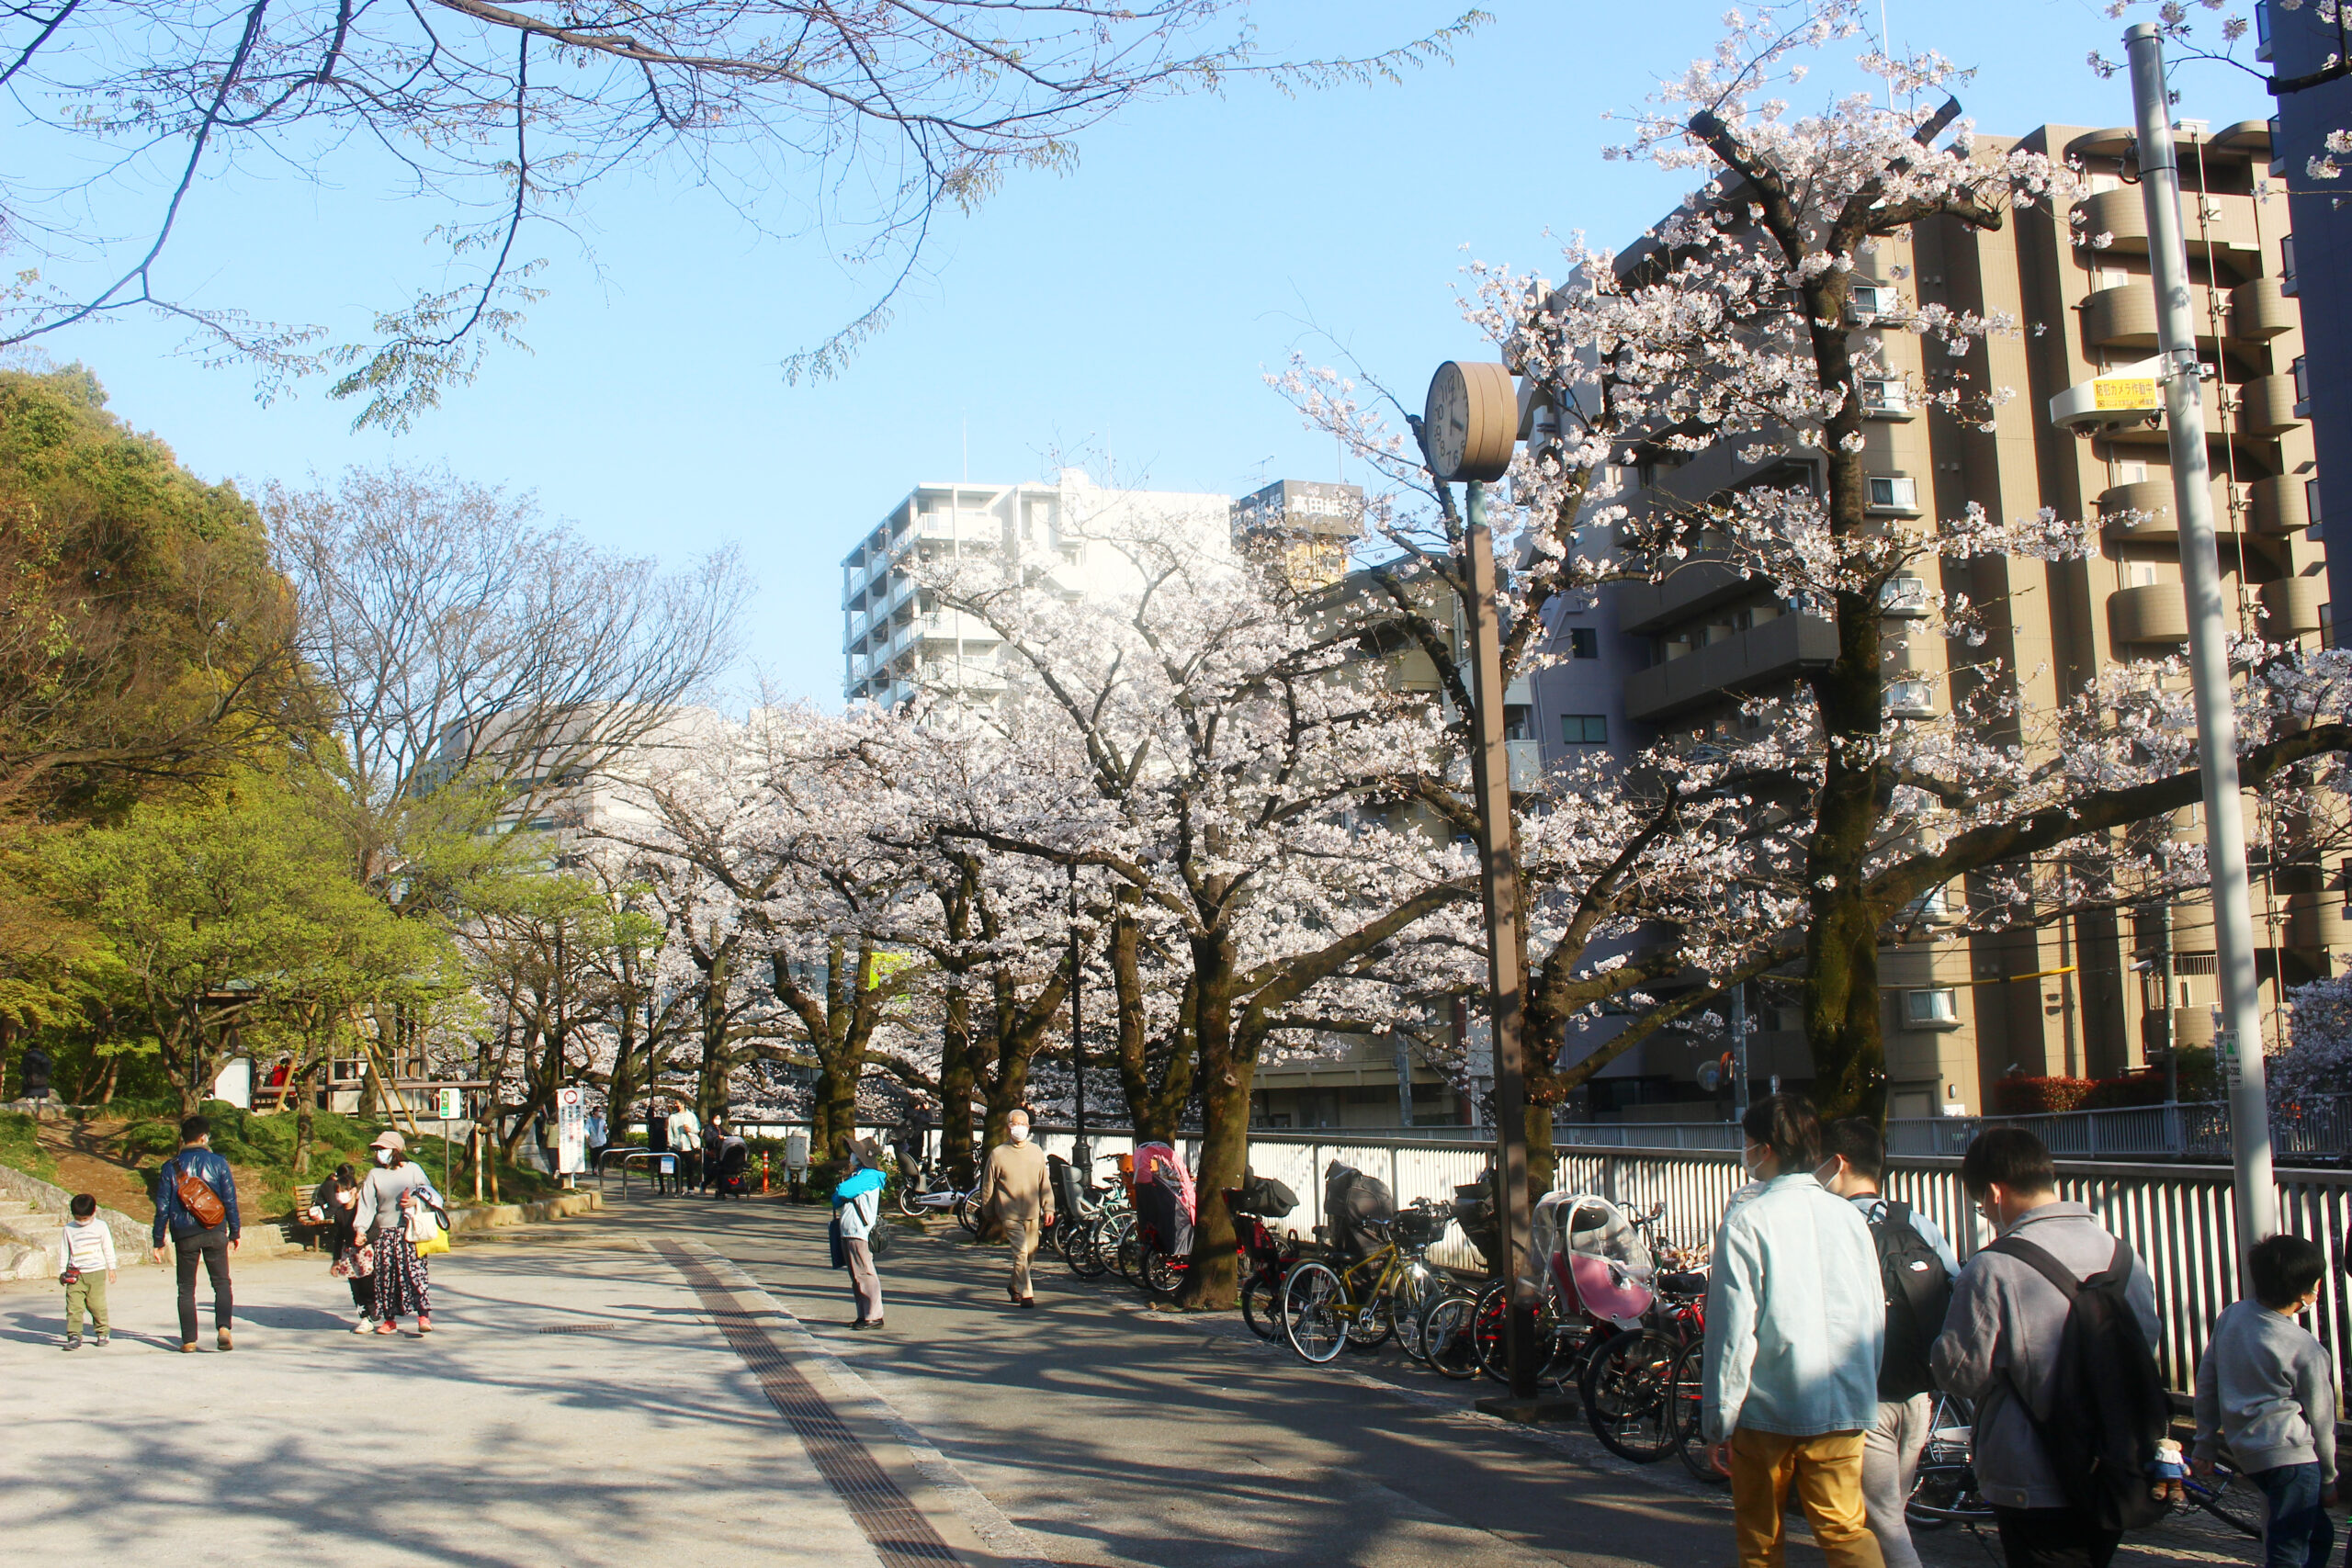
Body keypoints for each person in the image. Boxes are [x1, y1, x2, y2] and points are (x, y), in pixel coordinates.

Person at [1930, 1128, 2159, 1568]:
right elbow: (2145, 1338)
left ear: (1995, 1192)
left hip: (2029, 1471)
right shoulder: (2123, 1255)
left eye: (1980, 1202)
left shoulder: (1994, 1265)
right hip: (2115, 1459)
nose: (1984, 1211)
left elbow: (1961, 1373)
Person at [1702, 1093, 1886, 1568]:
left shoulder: (1747, 1220)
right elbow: (1873, 1313)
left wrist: (1719, 1419)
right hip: (1844, 1398)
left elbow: (1732, 1328)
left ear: (1765, 1149)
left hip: (1768, 1404)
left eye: (1747, 1142)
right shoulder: (1849, 1216)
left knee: (1761, 1537)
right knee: (1845, 1528)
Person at [1818, 1118, 1961, 1568]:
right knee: (1891, 1511)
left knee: (1881, 1520)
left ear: (1836, 1164)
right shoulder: (1913, 1220)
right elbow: (1953, 1287)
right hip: (1919, 1391)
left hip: (1864, 1395)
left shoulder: (1831, 1226)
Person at [2192, 1233, 2337, 1568]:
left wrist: (2204, 1442)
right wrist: (2329, 1477)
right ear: (2306, 1293)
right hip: (2294, 1458)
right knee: (2290, 1548)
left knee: (2315, 1533)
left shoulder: (2232, 1317)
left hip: (2250, 1452)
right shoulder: (2304, 1347)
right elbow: (2322, 1419)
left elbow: (2208, 1380)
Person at [150, 1113, 240, 1353]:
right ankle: (223, 1329)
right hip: (215, 1228)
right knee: (221, 1282)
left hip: (184, 1233)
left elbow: (162, 1207)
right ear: (204, 1137)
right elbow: (230, 1199)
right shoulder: (218, 1162)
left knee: (186, 1288)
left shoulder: (170, 1167)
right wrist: (235, 1231)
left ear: (183, 1138)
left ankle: (189, 1340)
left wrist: (158, 1240)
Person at [354, 1130, 439, 1337]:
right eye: (376, 1150)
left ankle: (423, 1316)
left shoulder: (413, 1170)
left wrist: (415, 1202)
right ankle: (389, 1320)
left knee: (415, 1273)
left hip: (409, 1231)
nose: (378, 1153)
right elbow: (367, 1205)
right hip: (385, 1233)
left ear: (396, 1150)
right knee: (386, 1277)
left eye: (382, 1149)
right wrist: (360, 1229)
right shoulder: (375, 1175)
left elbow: (433, 1195)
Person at [975, 1109, 1055, 1308]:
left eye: (1022, 1124)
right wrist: (988, 1211)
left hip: (1032, 1211)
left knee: (1030, 1253)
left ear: (1028, 1127)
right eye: (1014, 1124)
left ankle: (1014, 1285)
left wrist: (1049, 1208)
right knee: (1020, 1253)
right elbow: (988, 1186)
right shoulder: (998, 1154)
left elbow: (1044, 1182)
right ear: (1008, 1127)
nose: (1018, 1128)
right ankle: (1027, 1294)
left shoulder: (1036, 1152)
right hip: (1008, 1212)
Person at [833, 1139, 886, 1330]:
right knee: (857, 1276)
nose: (851, 1155)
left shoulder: (869, 1176)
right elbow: (836, 1198)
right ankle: (863, 1314)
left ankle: (873, 1315)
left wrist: (841, 1192)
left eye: (854, 1152)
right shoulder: (860, 1175)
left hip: (858, 1232)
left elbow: (841, 1191)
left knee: (864, 1273)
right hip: (849, 1231)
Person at [311, 1163, 371, 1327]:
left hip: (365, 1252)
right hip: (349, 1252)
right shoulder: (339, 1212)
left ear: (353, 1191)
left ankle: (373, 1308)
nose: (339, 1195)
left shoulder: (362, 1210)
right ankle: (364, 1317)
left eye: (343, 1192)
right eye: (337, 1192)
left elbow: (375, 1230)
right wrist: (336, 1260)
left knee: (368, 1285)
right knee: (355, 1287)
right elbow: (338, 1237)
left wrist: (365, 1238)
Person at [59, 1192, 117, 1349]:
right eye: (78, 1218)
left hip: (96, 1272)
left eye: (85, 1218)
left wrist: (112, 1267)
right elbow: (65, 1250)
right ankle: (74, 1335)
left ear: (94, 1211)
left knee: (96, 1304)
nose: (82, 1222)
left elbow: (107, 1247)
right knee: (74, 1307)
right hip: (75, 1273)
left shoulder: (101, 1226)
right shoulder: (69, 1229)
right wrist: (62, 1272)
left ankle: (102, 1331)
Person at [668, 1100, 703, 1193]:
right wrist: (670, 1143)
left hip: (689, 1146)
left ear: (683, 1104)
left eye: (677, 1103)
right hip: (676, 1145)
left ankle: (691, 1188)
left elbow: (698, 1129)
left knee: (690, 1168)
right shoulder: (672, 1117)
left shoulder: (691, 1116)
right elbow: (670, 1132)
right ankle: (679, 1187)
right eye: (675, 1103)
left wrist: (690, 1129)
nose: (676, 1105)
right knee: (677, 1169)